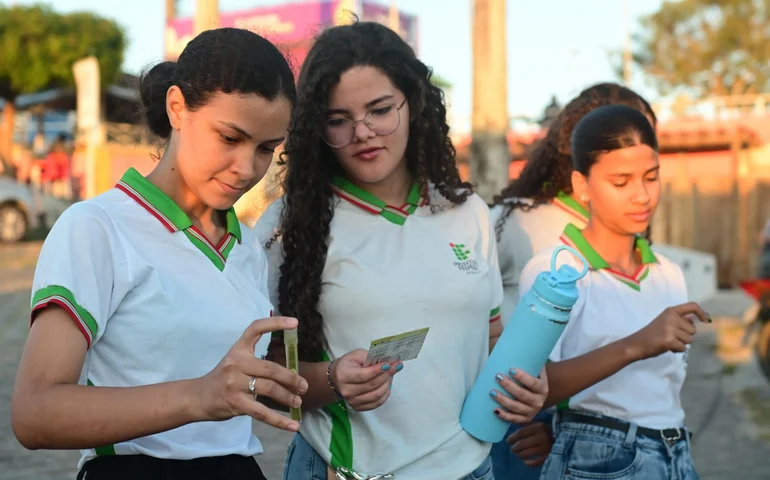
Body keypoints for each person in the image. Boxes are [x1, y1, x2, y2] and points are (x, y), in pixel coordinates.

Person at [255, 21, 548, 480]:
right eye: (338, 119)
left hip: (471, 469)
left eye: (380, 110)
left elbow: (490, 338)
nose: (363, 132)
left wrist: (528, 381)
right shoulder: (287, 225)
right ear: (316, 127)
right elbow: (267, 378)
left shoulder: (467, 211)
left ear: (414, 104)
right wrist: (332, 380)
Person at [11, 28, 306, 480]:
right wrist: (199, 397)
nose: (247, 168)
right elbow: (35, 412)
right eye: (230, 138)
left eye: (267, 149)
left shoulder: (246, 247)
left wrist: (333, 378)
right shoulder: (97, 227)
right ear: (177, 108)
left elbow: (241, 385)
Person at [523, 104, 708, 479]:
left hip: (677, 454)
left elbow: (659, 393)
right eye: (621, 182)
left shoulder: (668, 273)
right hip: (603, 461)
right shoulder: (555, 271)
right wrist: (637, 344)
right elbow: (533, 388)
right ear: (581, 185)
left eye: (651, 177)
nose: (641, 196)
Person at [488, 83, 658, 477]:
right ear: (573, 141)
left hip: (604, 432)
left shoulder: (630, 223)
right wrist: (537, 420)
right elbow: (476, 317)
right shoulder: (515, 220)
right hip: (523, 425)